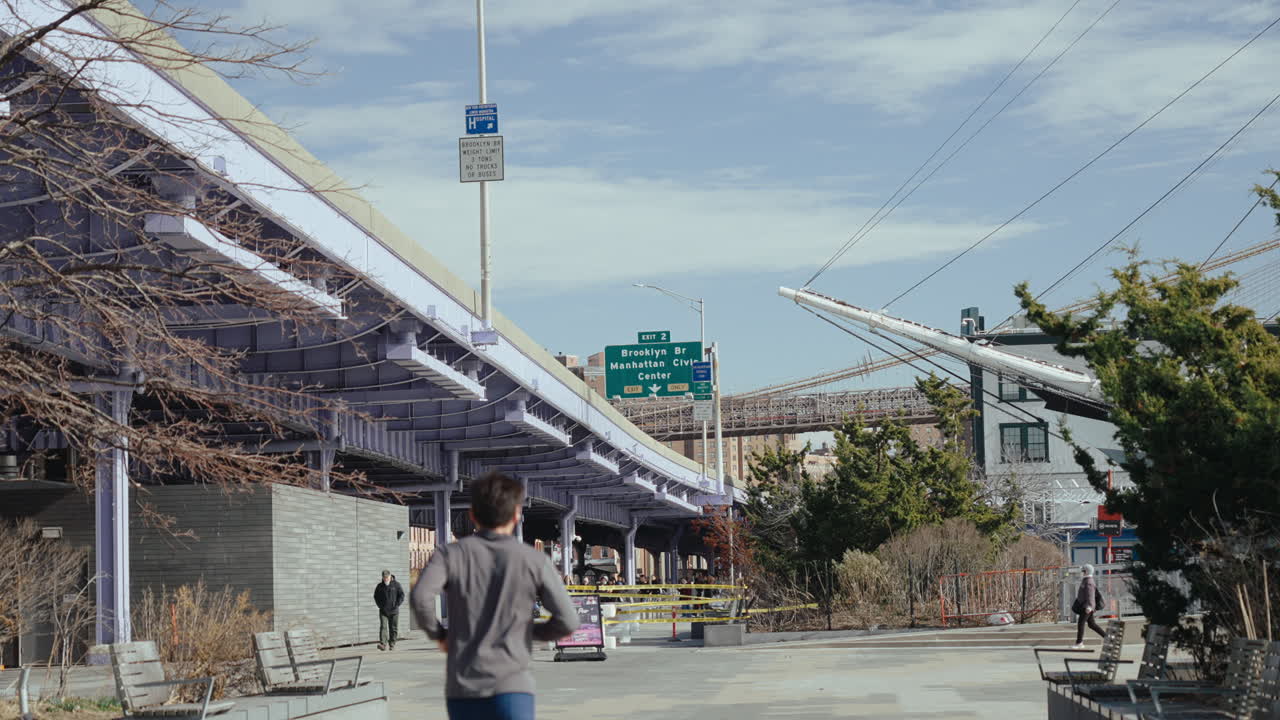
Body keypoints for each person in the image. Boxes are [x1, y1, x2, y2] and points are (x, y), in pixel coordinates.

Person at [412, 471, 579, 720]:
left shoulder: (450, 555)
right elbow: (568, 620)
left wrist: (440, 635)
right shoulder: (533, 560)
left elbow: (421, 598)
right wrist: (529, 635)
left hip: (464, 688)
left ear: (472, 515)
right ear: (516, 515)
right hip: (513, 687)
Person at [1072, 564, 1106, 648]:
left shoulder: (1089, 581)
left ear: (1086, 572)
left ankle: (1079, 643)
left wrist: (1089, 607)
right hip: (1086, 606)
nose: (1081, 573)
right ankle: (1107, 637)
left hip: (1086, 607)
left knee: (1081, 623)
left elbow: (1090, 595)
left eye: (1082, 571)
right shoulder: (1086, 580)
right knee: (1092, 624)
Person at [373, 569, 404, 651]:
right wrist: (380, 606)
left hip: (394, 611)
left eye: (387, 577)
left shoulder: (396, 585)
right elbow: (376, 596)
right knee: (383, 627)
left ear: (390, 576)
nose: (386, 579)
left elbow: (401, 595)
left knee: (393, 628)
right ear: (382, 577)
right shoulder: (380, 586)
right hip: (383, 611)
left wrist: (397, 604)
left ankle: (392, 643)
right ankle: (383, 644)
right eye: (384, 577)